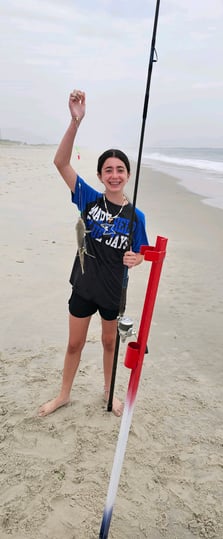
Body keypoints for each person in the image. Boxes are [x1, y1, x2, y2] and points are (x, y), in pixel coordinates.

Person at [38, 89, 148, 418]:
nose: (114, 175)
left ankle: (108, 393)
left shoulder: (136, 217)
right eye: (108, 170)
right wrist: (76, 120)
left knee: (109, 344)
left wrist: (137, 258)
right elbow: (60, 162)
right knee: (74, 344)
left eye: (120, 169)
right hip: (84, 285)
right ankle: (64, 395)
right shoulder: (87, 199)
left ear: (127, 175)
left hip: (114, 291)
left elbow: (141, 252)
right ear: (100, 176)